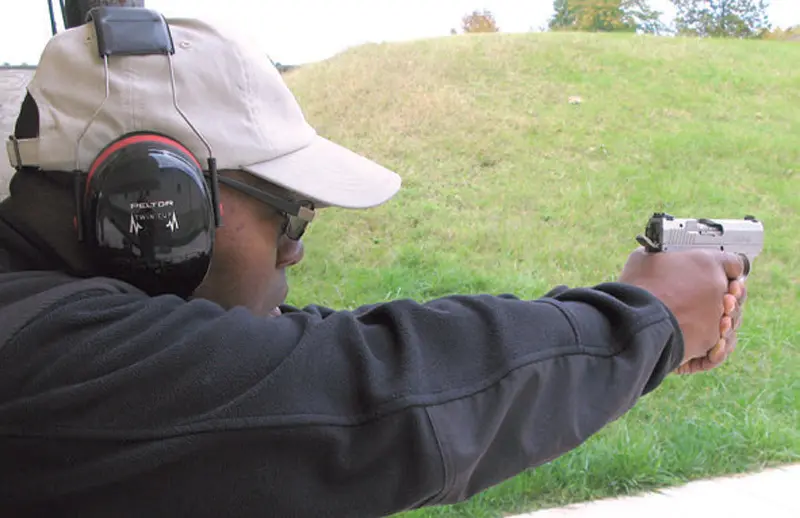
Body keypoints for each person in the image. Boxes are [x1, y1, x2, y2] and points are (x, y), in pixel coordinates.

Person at [0, 11, 747, 518]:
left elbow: (314, 350)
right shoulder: (42, 365)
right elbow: (364, 396)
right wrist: (643, 322)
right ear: (153, 205)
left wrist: (628, 321)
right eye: (288, 215)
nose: (296, 247)